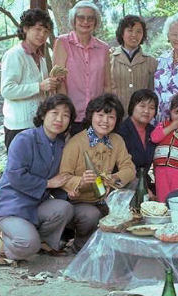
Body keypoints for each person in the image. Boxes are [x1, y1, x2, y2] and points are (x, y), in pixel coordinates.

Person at [0, 94, 77, 264]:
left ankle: (41, 241)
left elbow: (58, 180)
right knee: (28, 245)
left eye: (65, 115)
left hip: (35, 205)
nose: (59, 119)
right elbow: (15, 175)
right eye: (54, 113)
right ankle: (4, 241)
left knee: (64, 208)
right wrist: (48, 183)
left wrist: (69, 189)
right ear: (43, 115)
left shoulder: (60, 144)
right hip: (12, 206)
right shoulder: (25, 138)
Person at [59, 93, 136, 252]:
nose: (105, 121)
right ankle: (80, 245)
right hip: (81, 201)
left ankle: (116, 244)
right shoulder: (75, 143)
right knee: (91, 215)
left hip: (105, 197)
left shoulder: (117, 140)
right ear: (91, 116)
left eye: (111, 117)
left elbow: (129, 168)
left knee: (133, 185)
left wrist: (113, 179)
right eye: (100, 115)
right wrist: (80, 181)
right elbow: (64, 176)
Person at [0, 8, 57, 149]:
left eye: (46, 31)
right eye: (38, 29)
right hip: (18, 127)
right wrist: (39, 86)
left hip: (38, 124)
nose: (42, 35)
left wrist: (51, 85)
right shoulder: (14, 54)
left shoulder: (40, 58)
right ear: (25, 28)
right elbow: (7, 90)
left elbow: (41, 91)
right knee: (18, 169)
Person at [53, 0, 111, 135]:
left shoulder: (103, 48)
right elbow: (58, 81)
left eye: (90, 18)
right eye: (81, 17)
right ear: (74, 20)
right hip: (71, 116)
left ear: (95, 22)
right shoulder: (62, 42)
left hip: (96, 116)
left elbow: (107, 84)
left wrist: (106, 112)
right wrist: (65, 112)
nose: (86, 21)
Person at [110, 15, 157, 117]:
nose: (134, 35)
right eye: (130, 30)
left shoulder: (151, 61)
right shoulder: (109, 59)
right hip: (115, 118)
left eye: (139, 31)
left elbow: (153, 92)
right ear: (122, 33)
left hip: (142, 119)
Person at [116, 89, 158, 194]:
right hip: (125, 186)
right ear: (132, 107)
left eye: (151, 108)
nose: (146, 111)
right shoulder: (121, 131)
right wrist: (141, 188)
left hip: (150, 184)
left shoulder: (154, 131)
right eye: (142, 106)